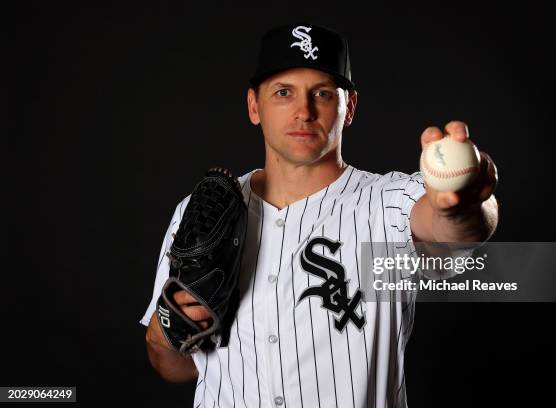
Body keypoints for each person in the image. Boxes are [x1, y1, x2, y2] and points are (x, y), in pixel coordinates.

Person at [140, 23, 498, 408]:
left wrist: (463, 204)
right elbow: (175, 368)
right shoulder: (201, 212)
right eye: (283, 93)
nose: (303, 112)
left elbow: (452, 226)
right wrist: (166, 331)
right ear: (253, 106)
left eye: (323, 94)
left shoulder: (388, 202)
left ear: (350, 107)